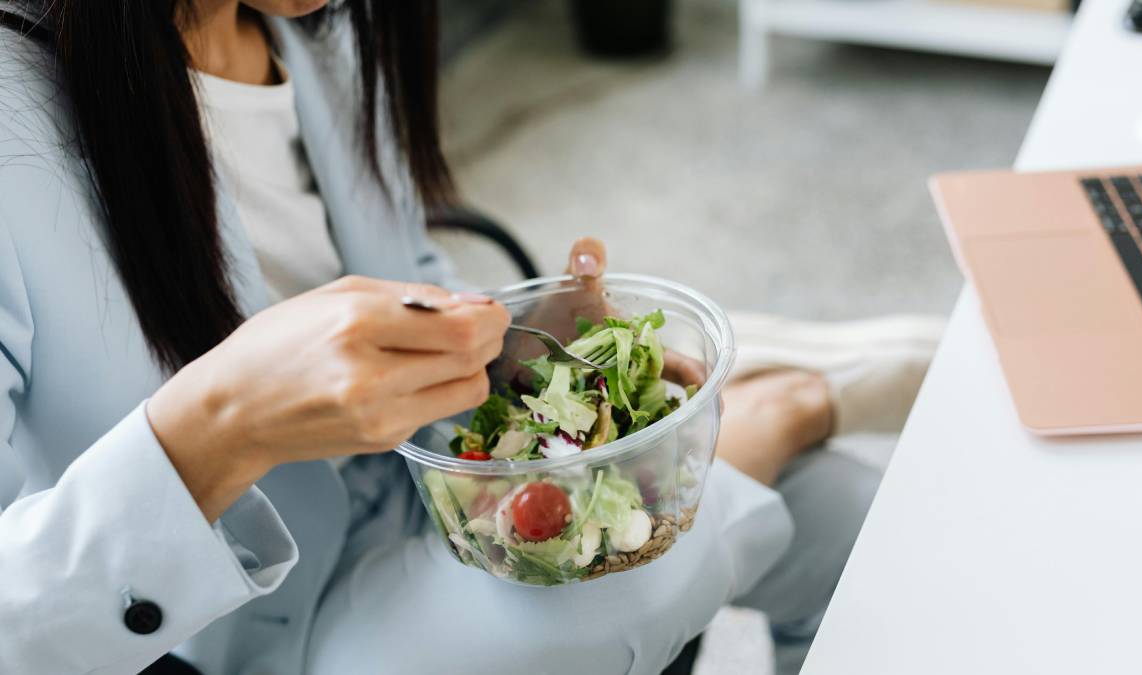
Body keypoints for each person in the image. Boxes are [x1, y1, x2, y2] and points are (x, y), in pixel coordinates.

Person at [0, 1, 936, 674]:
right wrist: (217, 427)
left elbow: (403, 265)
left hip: (436, 487)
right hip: (254, 624)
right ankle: (783, 410)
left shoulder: (321, 24)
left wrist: (509, 342)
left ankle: (776, 417)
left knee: (875, 534)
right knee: (595, 602)